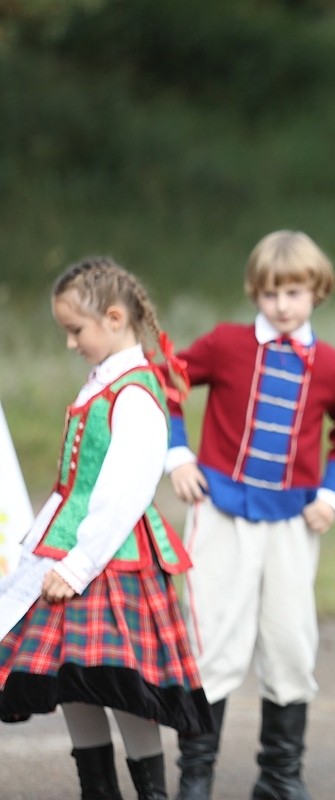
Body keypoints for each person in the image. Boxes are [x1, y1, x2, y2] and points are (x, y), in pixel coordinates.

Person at [165, 231, 335, 800]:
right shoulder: (226, 344)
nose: (283, 305)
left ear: (317, 292)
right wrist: (178, 454)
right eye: (272, 293)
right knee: (213, 643)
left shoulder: (331, 364)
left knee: (290, 641)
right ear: (255, 293)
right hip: (219, 511)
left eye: (295, 292)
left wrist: (333, 495)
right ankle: (196, 777)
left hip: (292, 522)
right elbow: (165, 382)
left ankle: (279, 779)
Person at [0, 257, 212, 799]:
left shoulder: (135, 392)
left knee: (123, 686)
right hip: (68, 555)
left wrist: (75, 564)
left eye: (76, 330)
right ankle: (98, 791)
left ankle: (151, 794)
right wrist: (33, 556)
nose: (70, 343)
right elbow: (70, 489)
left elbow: (124, 493)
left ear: (114, 318)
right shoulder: (101, 385)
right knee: (73, 677)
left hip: (109, 561)